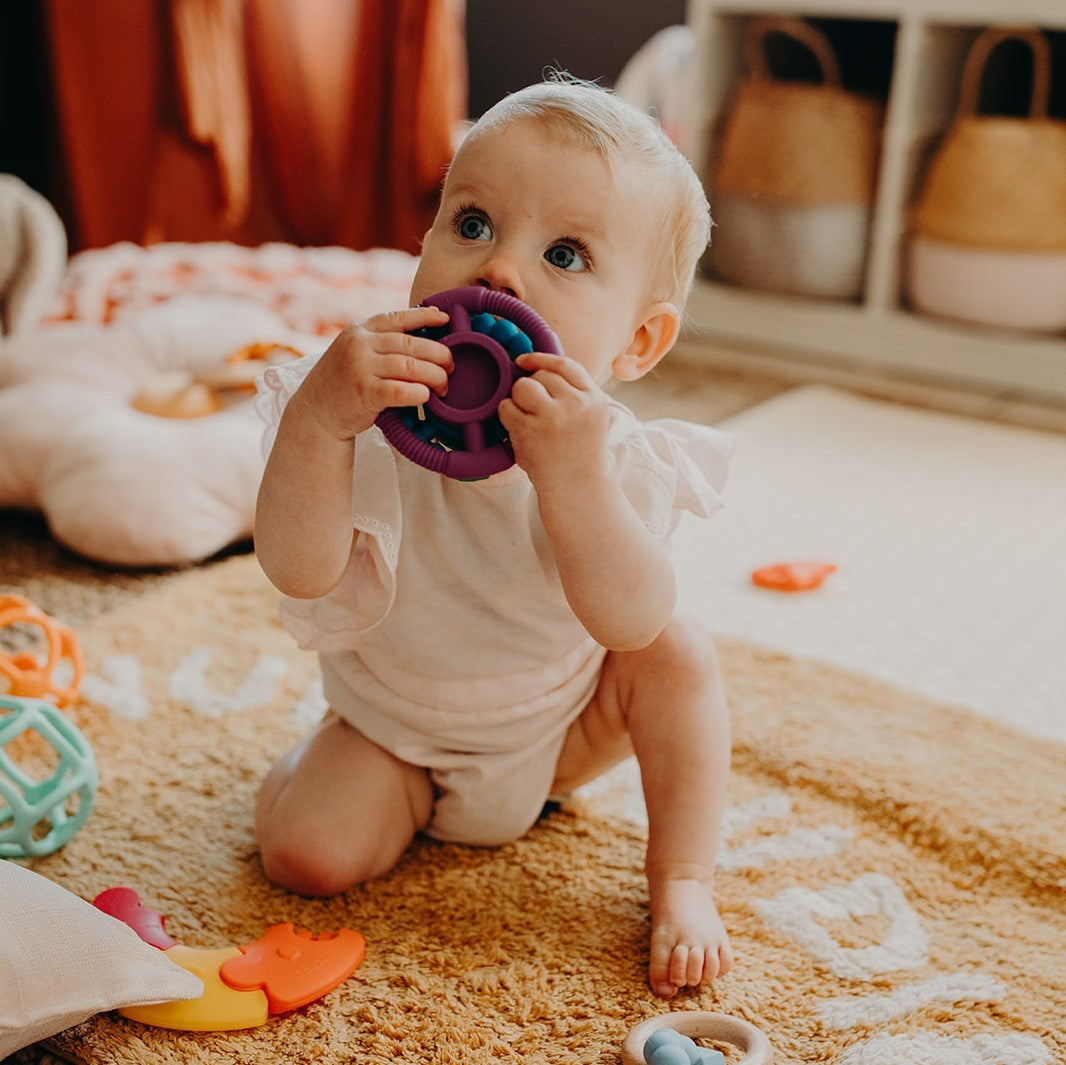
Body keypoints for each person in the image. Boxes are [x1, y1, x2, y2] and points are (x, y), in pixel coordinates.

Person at [253, 75, 735, 998]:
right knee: (304, 856)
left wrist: (574, 479)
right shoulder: (366, 411)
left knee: (677, 652)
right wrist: (317, 423)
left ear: (638, 344)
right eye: (471, 224)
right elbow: (299, 571)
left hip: (560, 726)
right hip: (395, 727)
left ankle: (683, 879)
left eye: (564, 253)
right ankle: (310, 765)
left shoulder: (609, 452)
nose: (499, 271)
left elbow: (629, 620)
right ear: (424, 243)